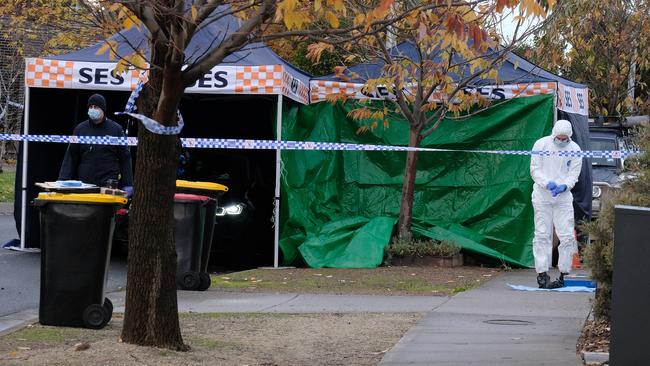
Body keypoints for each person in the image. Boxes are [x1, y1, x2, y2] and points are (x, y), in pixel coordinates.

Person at [529, 119, 583, 289]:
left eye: (564, 138)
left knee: (566, 235)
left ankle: (564, 274)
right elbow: (535, 169)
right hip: (542, 195)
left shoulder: (575, 150)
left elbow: (574, 174)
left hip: (563, 197)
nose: (561, 141)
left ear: (569, 137)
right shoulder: (541, 145)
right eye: (558, 138)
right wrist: (547, 183)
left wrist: (564, 186)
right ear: (553, 134)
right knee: (542, 234)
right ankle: (542, 274)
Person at [58, 94, 134, 196]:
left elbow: (125, 157)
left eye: (96, 107)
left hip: (108, 184)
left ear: (103, 109)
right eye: (91, 107)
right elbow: (71, 155)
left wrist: (128, 183)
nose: (93, 109)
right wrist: (63, 179)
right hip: (86, 184)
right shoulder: (80, 129)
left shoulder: (116, 129)